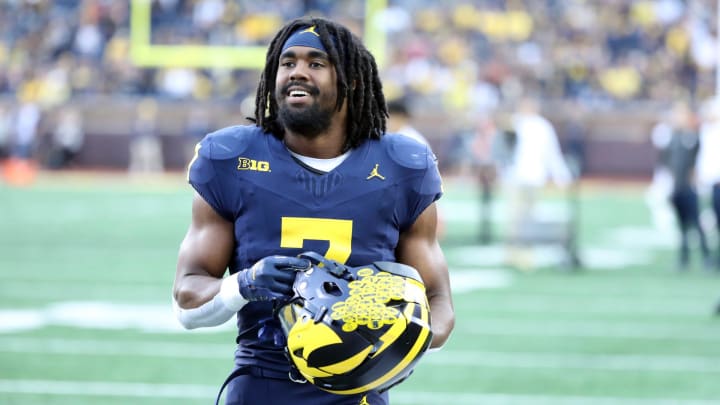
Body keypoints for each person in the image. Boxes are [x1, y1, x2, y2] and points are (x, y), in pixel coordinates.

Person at [173, 17, 455, 405]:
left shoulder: (403, 166)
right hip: (262, 383)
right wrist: (244, 284)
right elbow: (187, 302)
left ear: (351, 81)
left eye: (315, 63)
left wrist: (395, 337)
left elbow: (438, 301)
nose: (297, 73)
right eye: (287, 63)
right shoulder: (232, 159)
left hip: (361, 394)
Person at [665, 100, 710, 271]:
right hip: (677, 187)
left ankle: (707, 257)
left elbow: (699, 160)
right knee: (682, 226)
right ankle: (684, 258)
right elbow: (667, 162)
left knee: (696, 224)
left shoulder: (693, 136)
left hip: (690, 188)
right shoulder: (673, 137)